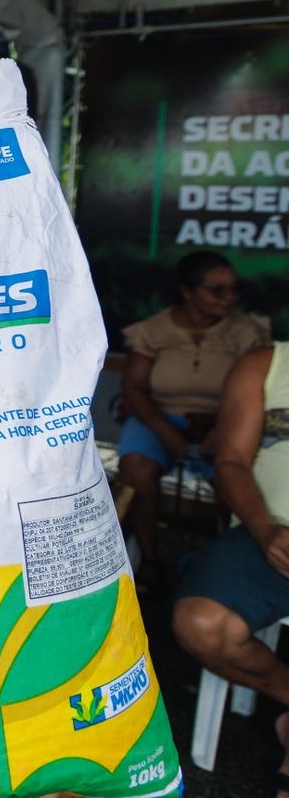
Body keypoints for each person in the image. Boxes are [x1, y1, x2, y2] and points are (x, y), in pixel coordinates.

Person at [172, 340, 289, 798]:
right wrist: (265, 531)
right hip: (267, 532)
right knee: (201, 623)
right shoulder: (266, 363)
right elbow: (231, 461)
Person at [118, 251, 269, 589]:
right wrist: (165, 432)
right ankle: (149, 559)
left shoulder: (248, 332)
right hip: (160, 417)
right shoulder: (153, 330)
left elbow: (257, 391)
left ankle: (226, 566)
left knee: (235, 476)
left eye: (234, 289)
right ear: (187, 291)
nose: (229, 297)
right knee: (136, 468)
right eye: (217, 290)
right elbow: (133, 387)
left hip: (227, 418)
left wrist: (221, 429)